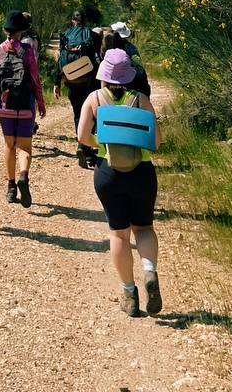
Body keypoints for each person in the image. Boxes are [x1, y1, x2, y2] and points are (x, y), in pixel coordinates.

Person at [78, 48, 162, 317]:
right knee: (144, 228)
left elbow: (81, 136)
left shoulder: (95, 99)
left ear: (104, 74)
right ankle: (149, 272)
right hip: (142, 173)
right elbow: (156, 142)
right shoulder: (141, 100)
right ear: (128, 76)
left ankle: (129, 292)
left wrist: (101, 144)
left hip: (108, 173)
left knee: (119, 233)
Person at [0, 11, 46, 207]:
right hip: (26, 105)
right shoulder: (28, 51)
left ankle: (11, 188)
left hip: (5, 105)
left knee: (9, 145)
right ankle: (23, 176)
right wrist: (41, 102)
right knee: (25, 147)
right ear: (21, 32)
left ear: (6, 30)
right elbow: (35, 79)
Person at [54, 8, 100, 167]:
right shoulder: (92, 35)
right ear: (85, 21)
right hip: (89, 80)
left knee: (77, 113)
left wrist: (56, 82)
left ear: (72, 20)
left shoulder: (65, 35)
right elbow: (98, 59)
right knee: (91, 114)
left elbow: (60, 60)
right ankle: (86, 148)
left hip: (70, 79)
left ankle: (81, 144)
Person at [99, 29, 151, 98]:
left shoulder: (101, 71)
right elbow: (146, 94)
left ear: (102, 51)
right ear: (123, 46)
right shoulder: (138, 70)